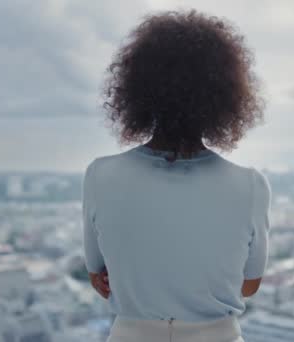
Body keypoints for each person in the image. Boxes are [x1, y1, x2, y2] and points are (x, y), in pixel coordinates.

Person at [84, 9, 271, 342]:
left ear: (137, 90)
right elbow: (249, 284)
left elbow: (100, 277)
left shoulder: (101, 176)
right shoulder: (250, 186)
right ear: (225, 97)